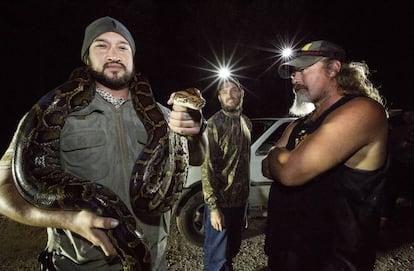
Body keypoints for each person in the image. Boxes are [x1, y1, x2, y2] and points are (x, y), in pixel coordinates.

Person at [0, 16, 206, 271]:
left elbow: (198, 157)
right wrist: (65, 220)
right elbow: (4, 190)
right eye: (101, 45)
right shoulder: (43, 116)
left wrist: (196, 134)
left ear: (133, 56)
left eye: (123, 47)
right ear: (86, 57)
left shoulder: (166, 116)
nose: (114, 54)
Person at [262, 40, 389, 271]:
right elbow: (266, 168)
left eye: (303, 69)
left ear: (333, 69)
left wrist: (278, 154)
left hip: (333, 262)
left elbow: (289, 172)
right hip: (285, 256)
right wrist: (280, 158)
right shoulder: (299, 124)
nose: (294, 78)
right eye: (292, 72)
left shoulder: (363, 111)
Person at [201, 79, 252, 271]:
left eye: (234, 90)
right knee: (217, 260)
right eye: (224, 91)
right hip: (220, 204)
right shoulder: (213, 125)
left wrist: (246, 204)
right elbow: (207, 169)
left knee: (231, 251)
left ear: (242, 93)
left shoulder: (246, 123)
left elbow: (244, 164)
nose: (229, 94)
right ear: (219, 97)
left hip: (240, 203)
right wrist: (213, 208)